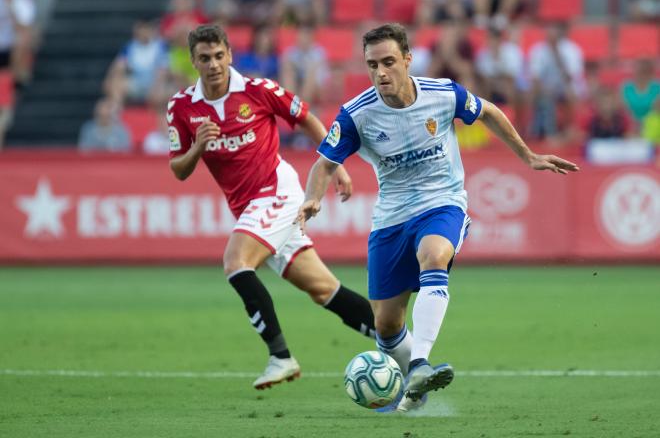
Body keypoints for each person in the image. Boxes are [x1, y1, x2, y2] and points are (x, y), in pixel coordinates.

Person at [296, 23, 579, 412]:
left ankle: (419, 365)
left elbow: (489, 112)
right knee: (386, 324)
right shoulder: (357, 114)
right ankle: (416, 389)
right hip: (391, 218)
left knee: (433, 255)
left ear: (408, 60)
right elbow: (324, 164)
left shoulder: (443, 94)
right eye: (372, 64)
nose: (380, 73)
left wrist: (528, 155)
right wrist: (313, 199)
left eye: (389, 62)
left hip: (442, 202)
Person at [167, 24, 376, 390]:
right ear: (193, 62)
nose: (214, 64)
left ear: (230, 55)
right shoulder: (182, 107)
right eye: (205, 58)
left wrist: (336, 164)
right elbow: (178, 170)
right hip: (249, 208)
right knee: (323, 289)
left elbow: (306, 118)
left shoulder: (257, 90)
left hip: (277, 191)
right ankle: (406, 348)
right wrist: (198, 147)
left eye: (219, 56)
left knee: (236, 262)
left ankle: (280, 356)